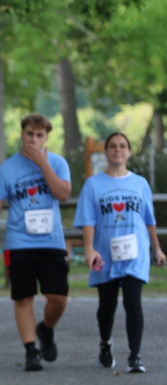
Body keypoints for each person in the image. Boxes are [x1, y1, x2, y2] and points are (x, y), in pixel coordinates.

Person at [0, 114, 72, 370]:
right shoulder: (8, 168)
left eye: (39, 135)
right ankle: (31, 350)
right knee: (23, 297)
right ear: (22, 135)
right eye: (30, 134)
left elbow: (62, 194)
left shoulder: (57, 163)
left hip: (51, 241)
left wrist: (43, 164)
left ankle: (46, 328)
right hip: (19, 242)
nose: (34, 139)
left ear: (46, 138)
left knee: (58, 297)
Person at [74, 130, 166, 372]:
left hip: (135, 254)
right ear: (105, 152)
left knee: (133, 303)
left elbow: (149, 220)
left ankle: (135, 356)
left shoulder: (140, 184)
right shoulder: (93, 184)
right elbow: (88, 221)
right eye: (113, 146)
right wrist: (89, 249)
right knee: (107, 306)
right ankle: (105, 343)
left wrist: (157, 249)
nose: (118, 150)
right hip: (105, 254)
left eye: (123, 146)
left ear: (129, 152)